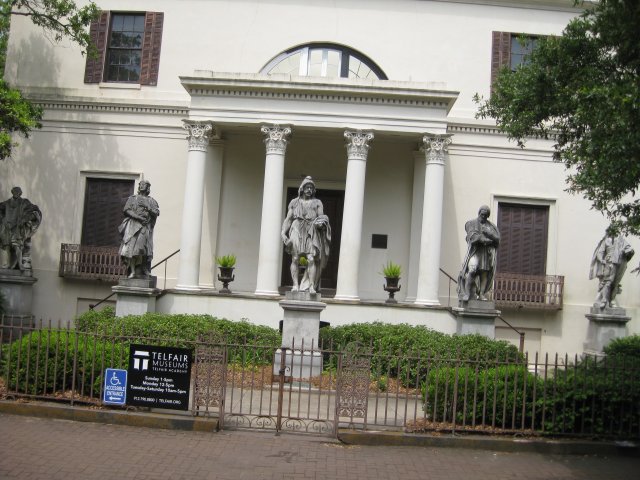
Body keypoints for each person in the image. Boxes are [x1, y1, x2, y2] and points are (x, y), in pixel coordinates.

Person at [281, 176, 331, 294]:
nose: (309, 190)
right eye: (307, 187)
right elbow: (288, 219)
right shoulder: (294, 202)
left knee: (311, 258)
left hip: (311, 229)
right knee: (295, 258)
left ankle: (311, 286)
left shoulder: (317, 203)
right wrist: (283, 232)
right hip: (297, 228)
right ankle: (295, 285)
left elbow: (321, 217)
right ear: (302, 188)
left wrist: (322, 223)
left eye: (311, 188)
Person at [457, 205, 500, 302]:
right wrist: (483, 239)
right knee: (472, 270)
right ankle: (467, 293)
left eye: (485, 215)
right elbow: (471, 237)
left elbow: (497, 239)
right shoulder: (471, 223)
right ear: (479, 213)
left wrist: (489, 234)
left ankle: (481, 294)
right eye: (482, 214)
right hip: (474, 252)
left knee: (484, 274)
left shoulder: (490, 226)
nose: (483, 216)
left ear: (487, 216)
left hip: (485, 253)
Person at [118, 180, 160, 279]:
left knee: (143, 248)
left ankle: (144, 268)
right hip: (133, 226)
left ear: (148, 187)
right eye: (140, 184)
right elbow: (126, 210)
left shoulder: (151, 201)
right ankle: (132, 271)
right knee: (131, 249)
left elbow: (156, 213)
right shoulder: (132, 198)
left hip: (144, 227)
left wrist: (148, 207)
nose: (141, 186)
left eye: (144, 184)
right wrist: (138, 217)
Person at [589, 230, 634, 309]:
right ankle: (604, 300)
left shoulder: (621, 240)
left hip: (619, 263)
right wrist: (602, 260)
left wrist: (629, 251)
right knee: (608, 282)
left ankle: (612, 301)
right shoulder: (606, 240)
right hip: (609, 263)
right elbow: (600, 252)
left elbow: (629, 249)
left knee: (616, 283)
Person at [0, 187, 42, 270]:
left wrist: (26, 218)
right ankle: (7, 264)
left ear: (20, 193)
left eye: (18, 191)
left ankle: (21, 263)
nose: (16, 193)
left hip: (18, 228)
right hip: (7, 228)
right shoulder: (7, 203)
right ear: (12, 192)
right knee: (6, 245)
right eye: (15, 191)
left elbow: (35, 210)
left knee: (18, 246)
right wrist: (2, 219)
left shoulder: (24, 202)